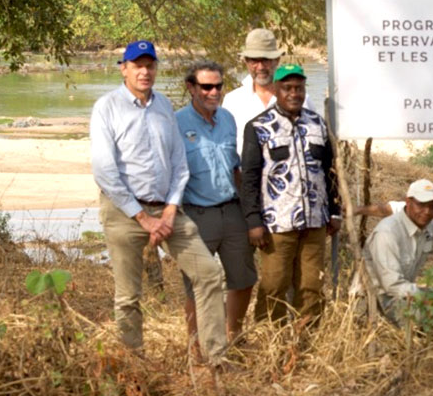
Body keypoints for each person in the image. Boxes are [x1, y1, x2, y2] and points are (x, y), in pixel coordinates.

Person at [90, 40, 229, 367]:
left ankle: (215, 358)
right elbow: (105, 171)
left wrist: (169, 209)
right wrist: (143, 218)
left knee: (209, 274)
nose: (144, 71)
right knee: (128, 297)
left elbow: (180, 163)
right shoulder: (107, 107)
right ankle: (133, 366)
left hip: (167, 212)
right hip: (125, 212)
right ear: (123, 68)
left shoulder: (164, 105)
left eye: (149, 65)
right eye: (137, 65)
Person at [240, 64, 341, 325]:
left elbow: (330, 171)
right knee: (274, 284)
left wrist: (335, 211)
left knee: (311, 285)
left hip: (315, 221)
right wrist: (253, 222)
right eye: (287, 88)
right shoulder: (259, 126)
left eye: (299, 88)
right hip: (277, 223)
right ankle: (268, 339)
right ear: (275, 89)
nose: (294, 93)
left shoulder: (317, 123)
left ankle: (305, 341)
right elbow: (249, 179)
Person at [174, 61, 257, 347]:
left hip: (232, 210)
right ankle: (197, 350)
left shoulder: (228, 120)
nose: (213, 92)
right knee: (197, 287)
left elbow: (235, 168)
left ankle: (231, 336)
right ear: (191, 88)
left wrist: (250, 211)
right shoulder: (176, 123)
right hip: (197, 214)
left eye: (218, 86)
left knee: (244, 279)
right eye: (206, 86)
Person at [362, 179, 433, 324]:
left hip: (404, 296)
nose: (427, 212)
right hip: (377, 302)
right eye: (421, 205)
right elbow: (391, 286)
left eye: (432, 206)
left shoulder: (429, 226)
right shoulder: (387, 232)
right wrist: (431, 296)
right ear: (408, 202)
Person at [222, 28, 315, 154]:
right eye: (254, 60)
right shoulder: (233, 101)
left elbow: (312, 140)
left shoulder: (300, 100)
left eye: (265, 60)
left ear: (276, 60)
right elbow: (226, 147)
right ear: (246, 62)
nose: (260, 67)